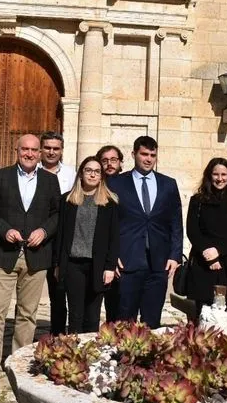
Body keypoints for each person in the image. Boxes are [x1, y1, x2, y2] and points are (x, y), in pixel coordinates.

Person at [0, 134, 60, 389]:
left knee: (27, 314)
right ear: (16, 150)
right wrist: (4, 231)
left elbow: (57, 213)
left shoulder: (50, 180)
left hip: (36, 257)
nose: (29, 153)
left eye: (33, 150)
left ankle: (19, 364)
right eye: (24, 149)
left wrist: (44, 232)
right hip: (3, 254)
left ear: (39, 154)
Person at [107, 136, 182, 329]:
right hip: (127, 262)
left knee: (153, 322)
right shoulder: (116, 184)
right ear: (134, 155)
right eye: (144, 154)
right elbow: (108, 224)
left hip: (159, 263)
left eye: (152, 155)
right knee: (124, 322)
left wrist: (175, 255)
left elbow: (175, 222)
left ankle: (150, 359)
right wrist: (111, 256)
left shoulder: (168, 184)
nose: (148, 159)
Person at [54, 157, 120, 333]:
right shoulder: (67, 200)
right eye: (88, 170)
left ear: (101, 176)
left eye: (97, 171)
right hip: (73, 265)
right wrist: (58, 264)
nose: (92, 174)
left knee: (93, 315)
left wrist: (110, 266)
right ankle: (75, 356)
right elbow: (60, 235)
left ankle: (89, 355)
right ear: (81, 174)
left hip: (97, 266)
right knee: (75, 315)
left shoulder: (110, 203)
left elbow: (114, 238)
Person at [185, 158, 227, 320]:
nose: (220, 178)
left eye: (224, 174)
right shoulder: (198, 200)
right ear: (209, 176)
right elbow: (192, 230)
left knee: (226, 315)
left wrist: (218, 251)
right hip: (202, 262)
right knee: (202, 314)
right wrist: (207, 253)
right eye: (215, 174)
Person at [39, 131, 76, 336]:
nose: (51, 152)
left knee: (58, 292)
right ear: (41, 149)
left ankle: (57, 336)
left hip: (61, 241)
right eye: (48, 148)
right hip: (34, 241)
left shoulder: (71, 175)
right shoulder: (30, 171)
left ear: (62, 150)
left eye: (56, 148)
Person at [96, 144, 124, 322]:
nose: (109, 164)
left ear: (121, 162)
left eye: (113, 160)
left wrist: (116, 256)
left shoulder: (128, 186)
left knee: (117, 307)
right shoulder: (92, 186)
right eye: (104, 161)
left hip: (120, 254)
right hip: (97, 253)